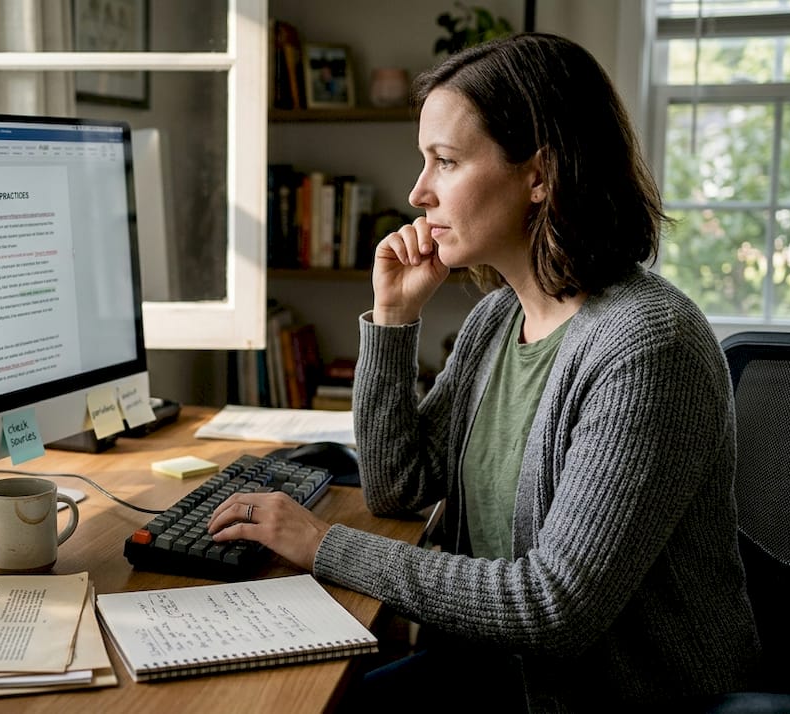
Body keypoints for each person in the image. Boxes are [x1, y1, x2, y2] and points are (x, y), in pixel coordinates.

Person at [208, 32, 759, 712]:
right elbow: (398, 486)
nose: (418, 193)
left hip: (603, 700)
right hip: (488, 676)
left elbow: (554, 608)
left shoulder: (648, 346)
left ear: (540, 174)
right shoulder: (498, 319)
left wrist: (322, 543)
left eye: (444, 162)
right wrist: (392, 318)